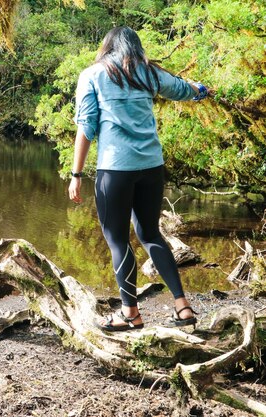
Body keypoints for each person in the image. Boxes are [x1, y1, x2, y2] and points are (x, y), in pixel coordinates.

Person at [68, 26, 209, 332]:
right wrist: (200, 90)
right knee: (151, 235)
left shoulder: (92, 75)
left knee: (118, 240)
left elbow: (86, 127)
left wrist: (76, 174)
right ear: (135, 47)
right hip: (151, 167)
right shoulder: (148, 73)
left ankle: (130, 313)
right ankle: (182, 307)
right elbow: (181, 89)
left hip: (115, 169)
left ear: (107, 46)